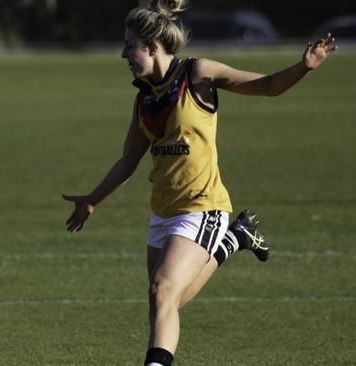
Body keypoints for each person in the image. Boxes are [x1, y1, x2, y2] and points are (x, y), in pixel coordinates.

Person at [63, 1, 336, 365]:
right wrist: (93, 200)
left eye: (130, 46)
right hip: (163, 213)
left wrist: (304, 66)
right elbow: (129, 161)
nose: (123, 54)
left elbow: (267, 86)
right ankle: (236, 238)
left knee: (163, 292)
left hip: (203, 207)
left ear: (152, 46)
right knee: (164, 302)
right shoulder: (144, 98)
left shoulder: (198, 74)